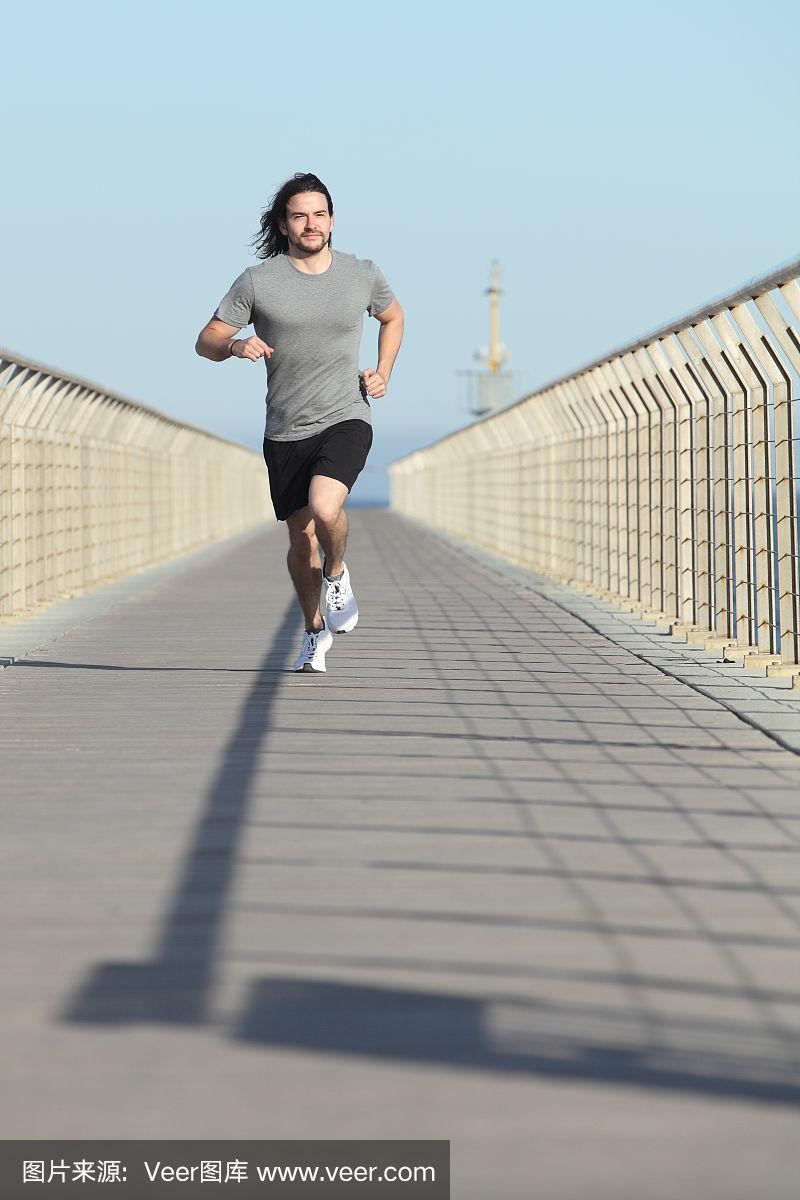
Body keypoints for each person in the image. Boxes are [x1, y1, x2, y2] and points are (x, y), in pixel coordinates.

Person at [195, 172, 404, 672]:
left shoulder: (362, 273)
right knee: (300, 539)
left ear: (332, 221)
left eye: (319, 214)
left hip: (346, 413)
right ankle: (313, 632)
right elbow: (206, 341)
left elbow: (393, 317)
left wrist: (382, 372)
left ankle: (337, 574)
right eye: (300, 216)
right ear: (284, 225)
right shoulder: (257, 281)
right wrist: (235, 345)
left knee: (326, 506)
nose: (311, 224)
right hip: (286, 427)